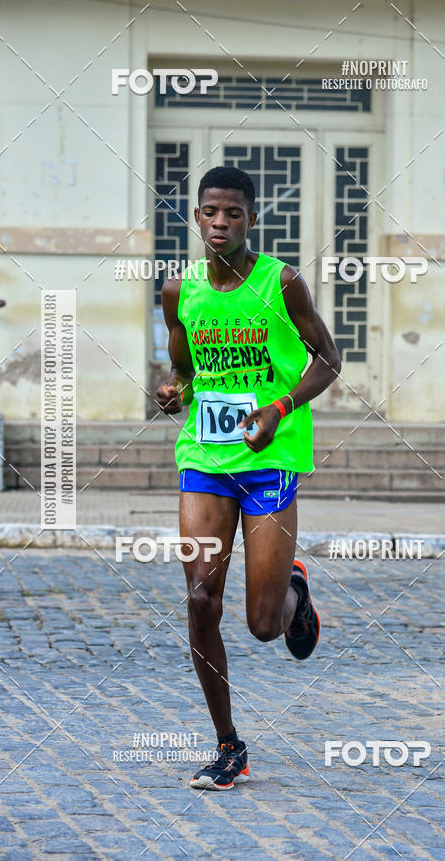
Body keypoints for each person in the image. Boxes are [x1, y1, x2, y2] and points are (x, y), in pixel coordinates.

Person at [156, 166, 340, 790]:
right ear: (197, 216)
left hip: (270, 461)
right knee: (201, 600)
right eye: (209, 212)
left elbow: (328, 360)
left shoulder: (281, 282)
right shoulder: (178, 290)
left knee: (263, 626)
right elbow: (183, 369)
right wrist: (173, 389)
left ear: (250, 219)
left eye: (233, 213)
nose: (219, 223)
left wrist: (279, 408)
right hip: (204, 461)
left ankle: (292, 587)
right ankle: (229, 745)